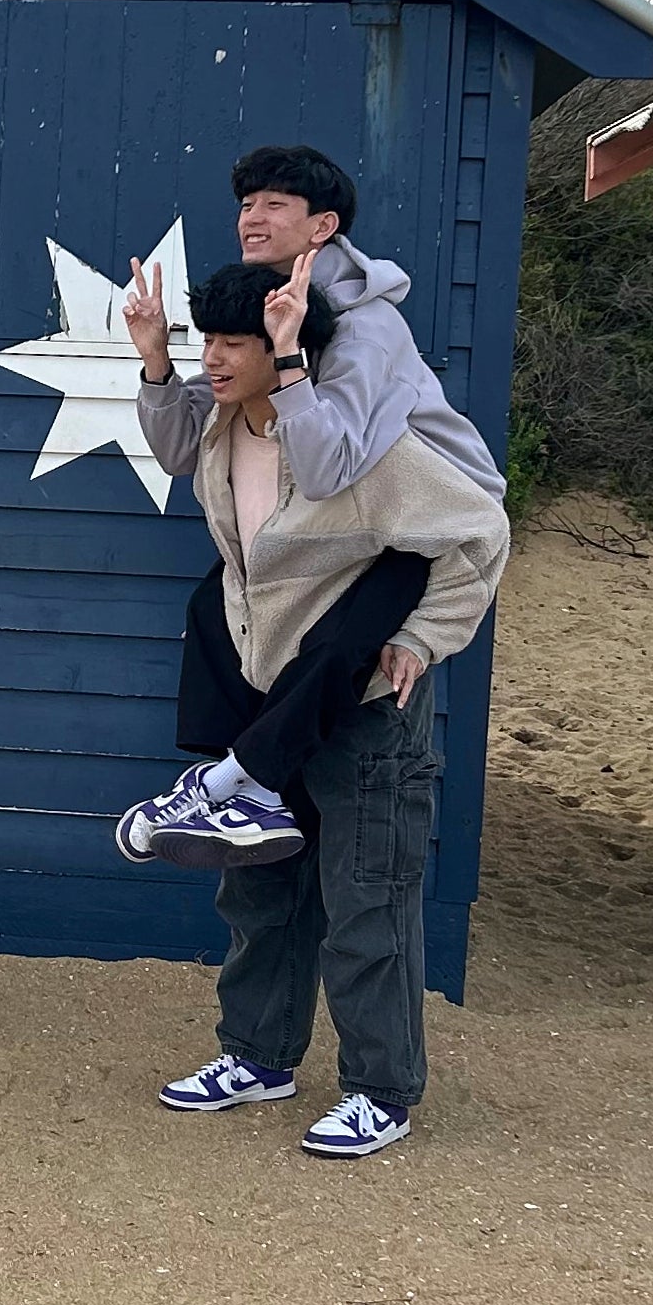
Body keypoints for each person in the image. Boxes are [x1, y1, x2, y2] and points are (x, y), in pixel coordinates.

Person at [125, 264, 507, 1160]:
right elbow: (176, 443)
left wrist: (422, 638)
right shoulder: (223, 424)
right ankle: (257, 1055)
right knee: (257, 884)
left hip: (364, 708)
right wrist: (153, 358)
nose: (211, 360)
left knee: (366, 900)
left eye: (231, 345)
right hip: (268, 697)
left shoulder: (357, 453)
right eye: (205, 341)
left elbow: (479, 531)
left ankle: (382, 1090)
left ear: (284, 349)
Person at [114, 143, 506, 861]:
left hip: (413, 516)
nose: (250, 219)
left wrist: (290, 355)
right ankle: (230, 785)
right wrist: (157, 365)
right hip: (326, 522)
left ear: (321, 225)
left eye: (273, 205)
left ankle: (232, 781)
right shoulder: (257, 308)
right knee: (216, 600)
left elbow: (330, 468)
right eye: (244, 204)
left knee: (346, 635)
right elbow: (187, 444)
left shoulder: (363, 324)